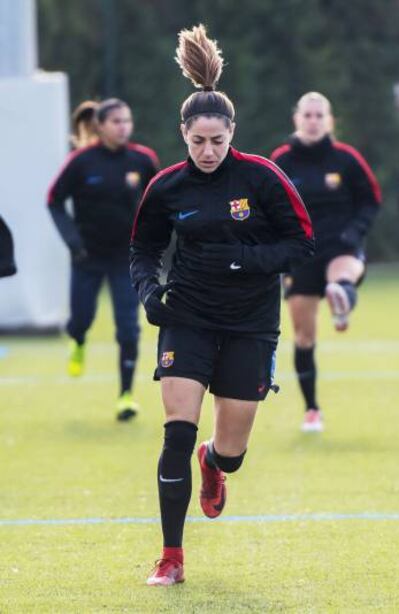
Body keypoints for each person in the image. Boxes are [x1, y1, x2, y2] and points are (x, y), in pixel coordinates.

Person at [130, 24, 314, 586]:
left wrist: (246, 260)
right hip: (186, 317)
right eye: (197, 141)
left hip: (250, 324)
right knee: (175, 434)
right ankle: (171, 556)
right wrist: (148, 291)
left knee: (228, 450)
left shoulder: (261, 177)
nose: (208, 151)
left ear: (232, 132)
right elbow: (143, 247)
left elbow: (302, 243)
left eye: (217, 140)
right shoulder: (166, 187)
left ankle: (217, 464)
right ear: (183, 134)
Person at [270, 91, 381, 433]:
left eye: (320, 115)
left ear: (330, 120)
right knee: (304, 335)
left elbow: (370, 200)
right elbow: (269, 204)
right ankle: (312, 409)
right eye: (308, 115)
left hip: (340, 245)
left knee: (340, 278)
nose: (314, 121)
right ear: (296, 119)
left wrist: (356, 231)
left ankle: (341, 295)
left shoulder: (346, 159)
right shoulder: (282, 160)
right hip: (301, 254)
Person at [48, 98, 159, 421]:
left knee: (128, 328)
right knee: (81, 318)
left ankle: (125, 396)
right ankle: (78, 340)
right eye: (116, 122)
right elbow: (53, 201)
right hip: (87, 256)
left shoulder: (143, 159)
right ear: (100, 126)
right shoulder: (81, 162)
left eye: (127, 121)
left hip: (126, 257)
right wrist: (73, 242)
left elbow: (160, 199)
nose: (123, 127)